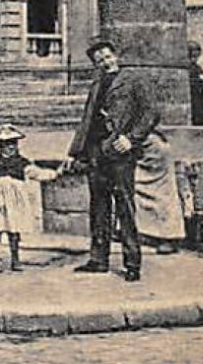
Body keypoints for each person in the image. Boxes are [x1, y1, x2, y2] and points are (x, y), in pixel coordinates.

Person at [66, 37, 160, 282]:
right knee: (98, 206)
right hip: (96, 151)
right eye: (99, 60)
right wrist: (75, 152)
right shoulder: (97, 84)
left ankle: (132, 262)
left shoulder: (134, 79)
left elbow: (150, 113)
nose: (105, 62)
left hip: (120, 152)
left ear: (115, 55)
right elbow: (87, 119)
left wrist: (132, 139)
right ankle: (98, 259)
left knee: (125, 206)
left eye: (107, 57)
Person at [0, 124, 59, 273]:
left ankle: (15, 260)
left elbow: (36, 173)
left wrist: (55, 174)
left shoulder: (22, 162)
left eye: (13, 143)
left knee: (14, 228)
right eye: (6, 144)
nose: (10, 147)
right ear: (0, 146)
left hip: (16, 198)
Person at [187, 42, 203, 127]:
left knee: (201, 114)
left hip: (199, 95)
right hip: (192, 96)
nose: (194, 59)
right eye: (192, 56)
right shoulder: (187, 68)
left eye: (196, 56)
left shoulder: (197, 68)